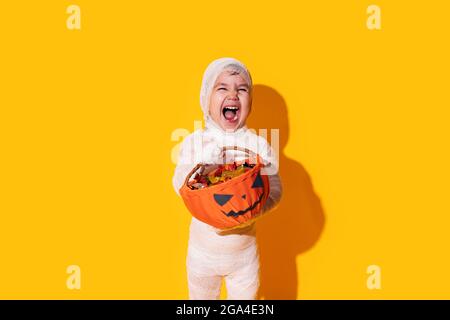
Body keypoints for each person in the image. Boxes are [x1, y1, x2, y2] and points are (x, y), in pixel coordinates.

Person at [173, 57, 282, 299]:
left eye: (242, 89)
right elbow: (178, 183)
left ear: (249, 103)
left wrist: (252, 210)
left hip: (244, 258)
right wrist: (201, 164)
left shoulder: (258, 146)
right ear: (206, 99)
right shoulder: (195, 143)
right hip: (202, 256)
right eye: (222, 88)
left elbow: (275, 188)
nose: (233, 94)